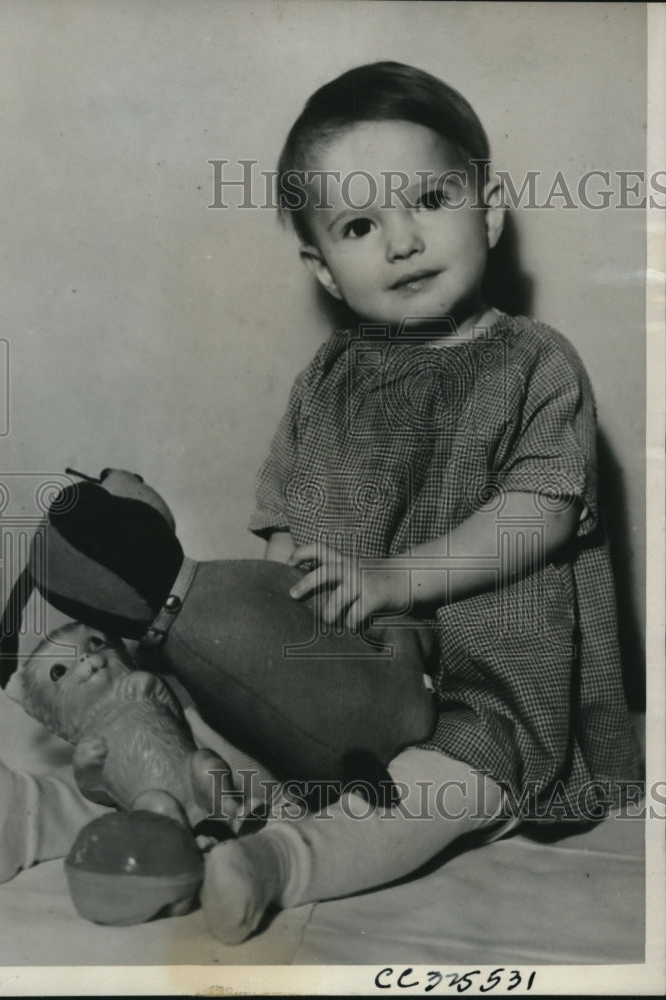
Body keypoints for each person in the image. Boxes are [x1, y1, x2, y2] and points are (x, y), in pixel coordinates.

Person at [198, 61, 643, 944]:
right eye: (359, 225)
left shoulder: (534, 362)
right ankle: (77, 811)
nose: (401, 241)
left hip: (492, 680)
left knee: (448, 777)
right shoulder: (327, 378)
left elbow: (542, 510)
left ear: (488, 211)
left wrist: (396, 578)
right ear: (324, 269)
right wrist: (276, 642)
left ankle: (287, 863)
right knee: (224, 739)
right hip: (357, 676)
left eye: (430, 200)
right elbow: (288, 537)